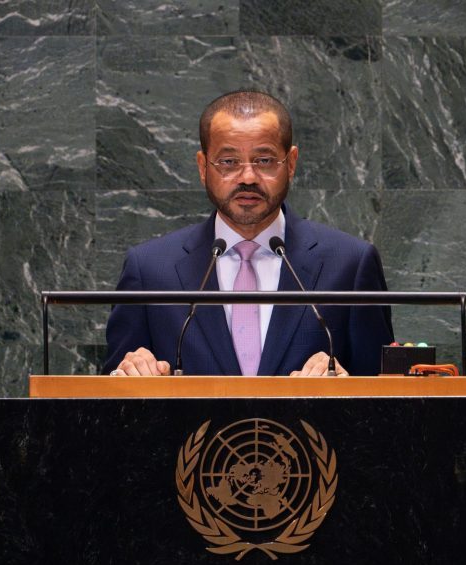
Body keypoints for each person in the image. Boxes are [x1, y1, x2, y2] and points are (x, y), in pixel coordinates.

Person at [104, 90, 393, 377]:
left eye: (264, 160)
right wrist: (127, 376)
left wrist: (348, 386)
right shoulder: (150, 270)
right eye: (228, 162)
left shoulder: (350, 264)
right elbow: (103, 409)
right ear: (203, 167)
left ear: (291, 164)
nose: (247, 177)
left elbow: (388, 402)